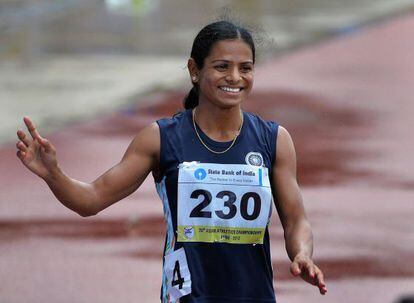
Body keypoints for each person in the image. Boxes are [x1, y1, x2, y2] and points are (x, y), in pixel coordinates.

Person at [16, 20, 327, 303]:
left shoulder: (273, 140)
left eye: (245, 68)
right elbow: (92, 199)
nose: (235, 77)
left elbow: (296, 220)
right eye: (222, 66)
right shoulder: (161, 138)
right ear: (195, 70)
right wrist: (53, 174)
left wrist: (302, 253)